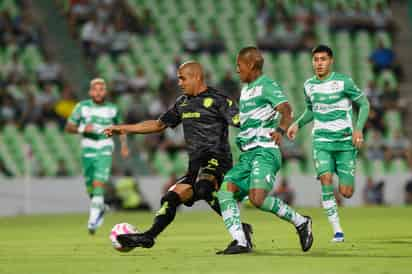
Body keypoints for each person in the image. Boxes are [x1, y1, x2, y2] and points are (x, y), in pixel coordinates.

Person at [104, 61, 253, 250]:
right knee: (170, 198)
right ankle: (148, 237)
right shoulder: (182, 102)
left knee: (204, 187)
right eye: (178, 79)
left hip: (218, 160)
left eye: (183, 78)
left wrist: (270, 129)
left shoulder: (219, 100)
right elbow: (158, 125)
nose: (179, 83)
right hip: (196, 164)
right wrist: (122, 129)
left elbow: (243, 121)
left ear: (197, 77)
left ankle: (240, 236)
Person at [216, 47, 313, 255]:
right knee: (225, 191)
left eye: (239, 65)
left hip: (265, 150)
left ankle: (301, 222)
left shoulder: (266, 85)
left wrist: (280, 129)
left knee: (257, 199)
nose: (236, 70)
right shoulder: (246, 89)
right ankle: (240, 241)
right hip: (248, 154)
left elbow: (286, 109)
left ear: (251, 65)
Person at [287, 45, 370, 242]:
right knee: (325, 179)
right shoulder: (309, 85)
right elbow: (311, 111)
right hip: (321, 141)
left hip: (344, 143)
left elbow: (364, 103)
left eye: (323, 59)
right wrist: (297, 124)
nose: (319, 63)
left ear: (331, 61)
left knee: (346, 192)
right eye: (316, 59)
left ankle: (345, 183)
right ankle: (337, 231)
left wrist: (358, 128)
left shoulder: (343, 82)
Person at [65, 78, 129, 234]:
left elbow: (121, 128)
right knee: (91, 188)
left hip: (105, 146)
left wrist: (124, 145)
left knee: (99, 182)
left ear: (105, 92)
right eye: (96, 89)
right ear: (90, 91)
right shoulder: (82, 107)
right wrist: (82, 128)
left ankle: (92, 221)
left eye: (102, 89)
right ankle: (100, 207)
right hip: (87, 148)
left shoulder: (113, 109)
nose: (99, 92)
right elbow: (69, 127)